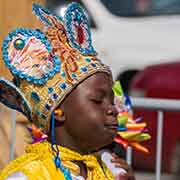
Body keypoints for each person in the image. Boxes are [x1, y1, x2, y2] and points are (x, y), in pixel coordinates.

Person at [0, 3, 135, 180]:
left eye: (111, 101)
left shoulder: (108, 170)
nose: (113, 109)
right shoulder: (30, 176)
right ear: (58, 112)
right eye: (97, 100)